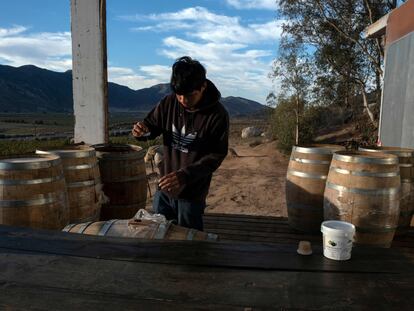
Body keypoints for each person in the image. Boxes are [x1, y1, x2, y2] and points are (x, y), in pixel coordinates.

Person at [132, 56, 229, 231]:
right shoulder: (168, 103)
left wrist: (185, 175)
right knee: (159, 236)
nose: (183, 100)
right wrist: (141, 132)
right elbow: (151, 127)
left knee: (189, 244)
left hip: (192, 194)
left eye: (190, 95)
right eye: (179, 95)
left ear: (203, 87)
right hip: (164, 190)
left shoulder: (218, 115)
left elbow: (216, 155)